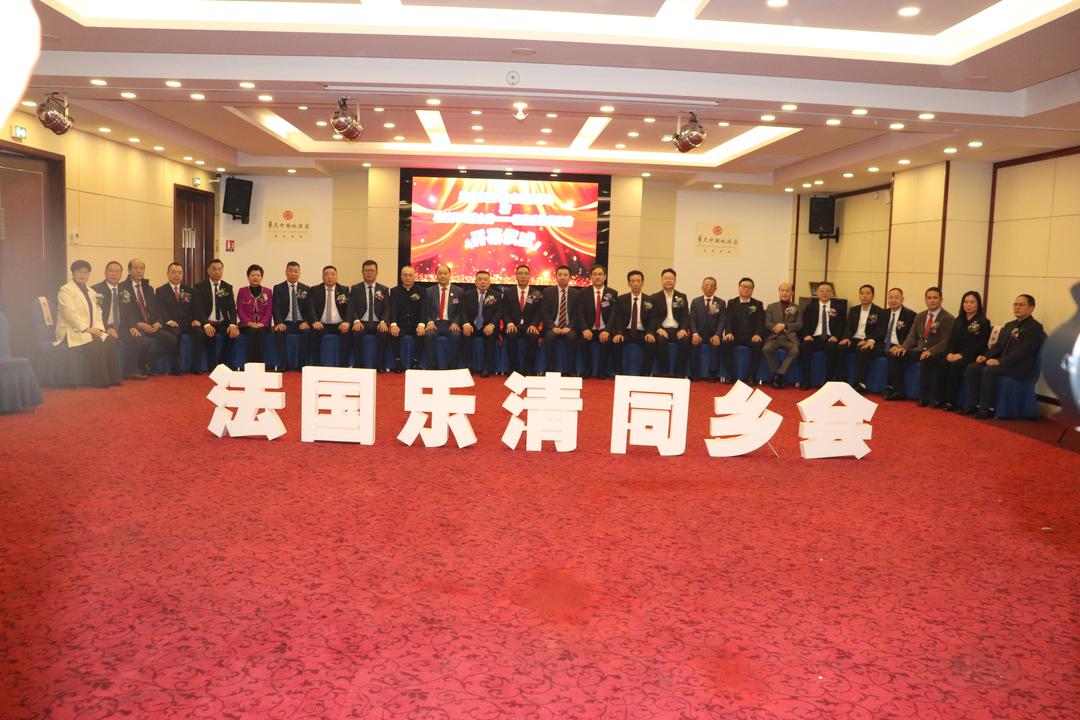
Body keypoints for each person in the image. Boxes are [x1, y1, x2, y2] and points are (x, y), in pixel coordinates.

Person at [963, 294, 1046, 419]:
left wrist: (1000, 362)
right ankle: (973, 404)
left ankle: (986, 408)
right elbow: (998, 345)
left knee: (989, 370)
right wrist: (985, 357)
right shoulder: (1009, 325)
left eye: (1021, 305)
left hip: (1020, 367)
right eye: (1015, 304)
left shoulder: (1035, 328)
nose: (1017, 307)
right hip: (1004, 364)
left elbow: (1024, 352)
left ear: (1031, 308)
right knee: (973, 367)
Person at [55, 260, 121, 388]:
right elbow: (70, 314)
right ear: (73, 274)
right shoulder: (65, 290)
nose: (82, 275)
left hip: (91, 330)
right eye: (79, 272)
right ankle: (101, 380)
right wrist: (86, 329)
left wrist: (100, 329)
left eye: (85, 272)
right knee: (96, 341)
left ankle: (113, 378)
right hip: (72, 330)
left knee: (109, 340)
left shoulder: (91, 291)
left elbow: (98, 312)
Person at [886, 286, 954, 402]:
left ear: (941, 300)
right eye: (929, 298)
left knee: (926, 359)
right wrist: (903, 347)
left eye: (935, 298)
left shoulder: (948, 318)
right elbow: (912, 336)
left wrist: (931, 351)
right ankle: (899, 391)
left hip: (935, 353)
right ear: (925, 300)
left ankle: (923, 396)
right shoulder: (920, 316)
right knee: (895, 354)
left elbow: (946, 341)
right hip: (919, 350)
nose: (932, 301)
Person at [117, 257, 176, 379]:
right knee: (144, 341)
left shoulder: (148, 288)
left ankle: (147, 361)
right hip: (135, 325)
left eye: (142, 268)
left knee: (171, 339)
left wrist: (158, 322)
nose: (139, 271)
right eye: (136, 268)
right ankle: (137, 368)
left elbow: (156, 309)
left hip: (151, 325)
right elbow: (124, 312)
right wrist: (137, 324)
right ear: (129, 270)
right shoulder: (122, 288)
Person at [935, 291, 990, 411]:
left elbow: (981, 345)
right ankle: (939, 398)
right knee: (943, 363)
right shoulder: (959, 320)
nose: (968, 305)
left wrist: (961, 355)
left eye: (972, 302)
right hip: (955, 354)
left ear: (978, 304)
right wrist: (949, 353)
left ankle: (951, 401)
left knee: (956, 366)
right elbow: (951, 340)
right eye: (966, 302)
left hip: (972, 355)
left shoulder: (983, 322)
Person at [191, 258, 239, 371]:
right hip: (207, 322)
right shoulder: (199, 287)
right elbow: (198, 308)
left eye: (219, 269)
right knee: (209, 335)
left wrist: (233, 325)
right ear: (208, 270)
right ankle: (211, 366)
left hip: (222, 322)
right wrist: (206, 325)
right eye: (214, 269)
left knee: (232, 335)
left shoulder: (227, 287)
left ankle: (222, 364)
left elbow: (232, 308)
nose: (217, 272)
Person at [799, 281, 848, 387]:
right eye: (822, 291)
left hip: (830, 338)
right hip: (814, 337)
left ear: (831, 293)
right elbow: (805, 323)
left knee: (832, 347)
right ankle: (806, 380)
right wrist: (806, 335)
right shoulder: (810, 307)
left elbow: (841, 325)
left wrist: (836, 336)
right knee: (804, 346)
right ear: (817, 293)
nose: (824, 293)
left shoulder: (839, 307)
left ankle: (828, 381)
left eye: (827, 291)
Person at [839, 284, 885, 394]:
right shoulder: (854, 310)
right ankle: (842, 381)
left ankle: (859, 384)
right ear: (859, 295)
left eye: (868, 293)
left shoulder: (879, 311)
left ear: (873, 296)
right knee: (841, 347)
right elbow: (848, 326)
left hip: (868, 340)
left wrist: (868, 339)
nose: (865, 296)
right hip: (854, 339)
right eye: (862, 293)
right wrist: (846, 338)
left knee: (862, 350)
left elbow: (879, 330)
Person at [575, 264, 619, 379]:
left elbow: (613, 314)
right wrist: (585, 329)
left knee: (607, 341)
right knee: (583, 340)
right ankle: (586, 370)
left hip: (604, 329)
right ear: (591, 277)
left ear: (605, 276)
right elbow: (580, 313)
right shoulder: (583, 293)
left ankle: (601, 371)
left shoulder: (612, 293)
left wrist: (607, 330)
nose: (597, 277)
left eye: (600, 274)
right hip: (589, 329)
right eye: (595, 274)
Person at [611, 269, 658, 376]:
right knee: (616, 342)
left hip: (642, 332)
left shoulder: (649, 300)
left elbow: (653, 319)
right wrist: (618, 333)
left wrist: (650, 332)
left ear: (642, 282)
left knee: (651, 344)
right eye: (633, 281)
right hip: (626, 332)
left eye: (638, 281)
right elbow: (617, 318)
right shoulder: (621, 299)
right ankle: (618, 372)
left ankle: (645, 373)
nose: (636, 284)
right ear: (629, 283)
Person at [535, 265, 578, 376]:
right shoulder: (547, 291)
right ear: (556, 277)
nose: (562, 277)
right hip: (552, 327)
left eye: (565, 275)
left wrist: (569, 327)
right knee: (549, 337)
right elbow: (544, 312)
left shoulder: (576, 293)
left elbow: (577, 314)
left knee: (572, 337)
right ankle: (549, 369)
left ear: (570, 277)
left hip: (568, 327)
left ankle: (570, 370)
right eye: (560, 275)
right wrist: (553, 327)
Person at [348, 259, 391, 371]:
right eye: (366, 271)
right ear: (362, 272)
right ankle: (358, 365)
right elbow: (351, 307)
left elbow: (387, 308)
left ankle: (380, 365)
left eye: (372, 270)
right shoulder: (355, 288)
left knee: (383, 333)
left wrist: (384, 321)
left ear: (377, 272)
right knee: (356, 333)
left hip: (378, 322)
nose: (369, 273)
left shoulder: (384, 289)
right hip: (362, 322)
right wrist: (356, 321)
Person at [721, 277, 765, 384]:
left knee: (758, 344)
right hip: (735, 336)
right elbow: (728, 319)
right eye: (743, 286)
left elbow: (760, 321)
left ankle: (752, 377)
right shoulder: (732, 302)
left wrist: (757, 334)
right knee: (726, 343)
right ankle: (730, 375)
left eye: (749, 287)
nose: (746, 289)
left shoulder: (757, 304)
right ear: (739, 288)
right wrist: (729, 332)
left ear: (752, 290)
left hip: (750, 336)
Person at [305, 265, 351, 366]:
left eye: (332, 274)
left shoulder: (344, 289)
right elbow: (310, 307)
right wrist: (314, 321)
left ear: (337, 276)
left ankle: (344, 365)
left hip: (340, 324)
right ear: (322, 277)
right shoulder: (315, 290)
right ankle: (316, 364)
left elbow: (349, 308)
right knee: (313, 333)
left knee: (347, 334)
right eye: (326, 275)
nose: (330, 277)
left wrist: (347, 322)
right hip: (321, 324)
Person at [155, 262, 196, 375]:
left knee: (199, 333)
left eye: (179, 272)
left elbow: (194, 308)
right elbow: (160, 310)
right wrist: (169, 321)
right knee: (175, 333)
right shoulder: (160, 290)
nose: (176, 275)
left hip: (186, 323)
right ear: (168, 274)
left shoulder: (189, 290)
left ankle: (196, 366)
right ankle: (175, 366)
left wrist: (195, 319)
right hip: (171, 324)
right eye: (173, 272)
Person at [501, 264, 541, 375]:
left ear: (529, 276)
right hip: (513, 325)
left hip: (529, 326)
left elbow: (538, 313)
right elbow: (505, 312)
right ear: (516, 276)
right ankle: (514, 369)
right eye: (520, 274)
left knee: (533, 336)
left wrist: (534, 325)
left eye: (526, 274)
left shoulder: (536, 293)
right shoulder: (508, 293)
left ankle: (529, 369)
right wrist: (509, 324)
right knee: (511, 335)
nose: (523, 276)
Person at [460, 269, 501, 377]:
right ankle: (468, 366)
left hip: (488, 326)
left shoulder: (496, 295)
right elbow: (462, 311)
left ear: (490, 282)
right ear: (475, 282)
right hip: (471, 325)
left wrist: (492, 325)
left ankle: (487, 367)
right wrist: (466, 324)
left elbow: (498, 313)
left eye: (485, 280)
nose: (482, 282)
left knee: (491, 336)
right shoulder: (467, 294)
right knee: (466, 335)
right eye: (480, 279)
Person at [270, 261, 311, 371]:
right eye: (291, 271)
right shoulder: (278, 288)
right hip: (286, 322)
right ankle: (283, 363)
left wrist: (306, 321)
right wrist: (279, 323)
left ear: (299, 273)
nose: (293, 274)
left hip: (301, 322)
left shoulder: (305, 288)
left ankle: (303, 365)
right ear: (286, 272)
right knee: (279, 333)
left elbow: (309, 308)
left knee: (307, 332)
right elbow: (276, 307)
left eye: (296, 271)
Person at [421, 264, 462, 369]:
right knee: (429, 335)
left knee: (456, 336)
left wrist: (456, 322)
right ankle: (432, 366)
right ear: (436, 275)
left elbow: (460, 310)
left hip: (450, 323)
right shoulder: (429, 291)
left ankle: (452, 366)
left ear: (450, 275)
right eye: (440, 273)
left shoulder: (459, 291)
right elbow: (425, 309)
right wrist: (429, 321)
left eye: (445, 273)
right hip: (435, 323)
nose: (442, 276)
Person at [762, 282, 802, 389]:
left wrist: (785, 326)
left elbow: (799, 324)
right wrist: (776, 327)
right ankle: (777, 374)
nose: (784, 293)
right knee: (766, 349)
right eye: (782, 290)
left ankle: (779, 375)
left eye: (787, 291)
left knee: (795, 351)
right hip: (774, 337)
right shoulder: (771, 306)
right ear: (779, 292)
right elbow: (767, 323)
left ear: (792, 293)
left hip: (789, 338)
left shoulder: (797, 308)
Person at [651, 268, 690, 377]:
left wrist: (683, 329)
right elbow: (654, 316)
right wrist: (659, 329)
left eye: (671, 278)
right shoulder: (654, 297)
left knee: (686, 339)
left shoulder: (681, 296)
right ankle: (664, 372)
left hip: (677, 330)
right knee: (660, 340)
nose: (668, 281)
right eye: (666, 278)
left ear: (675, 280)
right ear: (661, 280)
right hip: (662, 329)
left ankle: (679, 372)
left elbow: (685, 315)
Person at [387, 265, 424, 372]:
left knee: (421, 334)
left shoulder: (421, 290)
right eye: (405, 275)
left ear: (414, 277)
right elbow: (393, 309)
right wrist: (393, 324)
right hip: (401, 324)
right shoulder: (394, 291)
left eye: (410, 275)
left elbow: (424, 309)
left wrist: (421, 324)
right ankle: (397, 362)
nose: (408, 277)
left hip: (415, 324)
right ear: (401, 277)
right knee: (394, 333)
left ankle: (416, 362)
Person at [689, 276, 725, 381]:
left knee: (715, 345)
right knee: (693, 344)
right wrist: (695, 334)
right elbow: (692, 320)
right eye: (706, 285)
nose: (709, 287)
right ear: (702, 287)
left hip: (713, 334)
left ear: (715, 289)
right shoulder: (695, 301)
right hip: (699, 333)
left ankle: (713, 373)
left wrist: (717, 335)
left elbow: (722, 321)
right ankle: (694, 372)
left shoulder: (721, 303)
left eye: (711, 286)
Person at [236, 264, 272, 364]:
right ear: (248, 277)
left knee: (260, 332)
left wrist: (262, 323)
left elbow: (269, 310)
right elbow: (240, 309)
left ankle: (260, 364)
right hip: (246, 325)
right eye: (252, 275)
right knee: (251, 332)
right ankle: (250, 363)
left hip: (263, 325)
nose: (255, 277)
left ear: (261, 277)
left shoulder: (267, 291)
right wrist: (249, 323)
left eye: (258, 275)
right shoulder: (242, 291)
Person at [91, 260, 125, 340]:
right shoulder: (95, 290)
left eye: (117, 271)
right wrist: (106, 328)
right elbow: (94, 314)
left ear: (121, 274)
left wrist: (132, 326)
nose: (114, 274)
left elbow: (129, 311)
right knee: (113, 342)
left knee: (138, 339)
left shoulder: (124, 290)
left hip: (122, 327)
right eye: (111, 271)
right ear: (105, 273)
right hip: (103, 326)